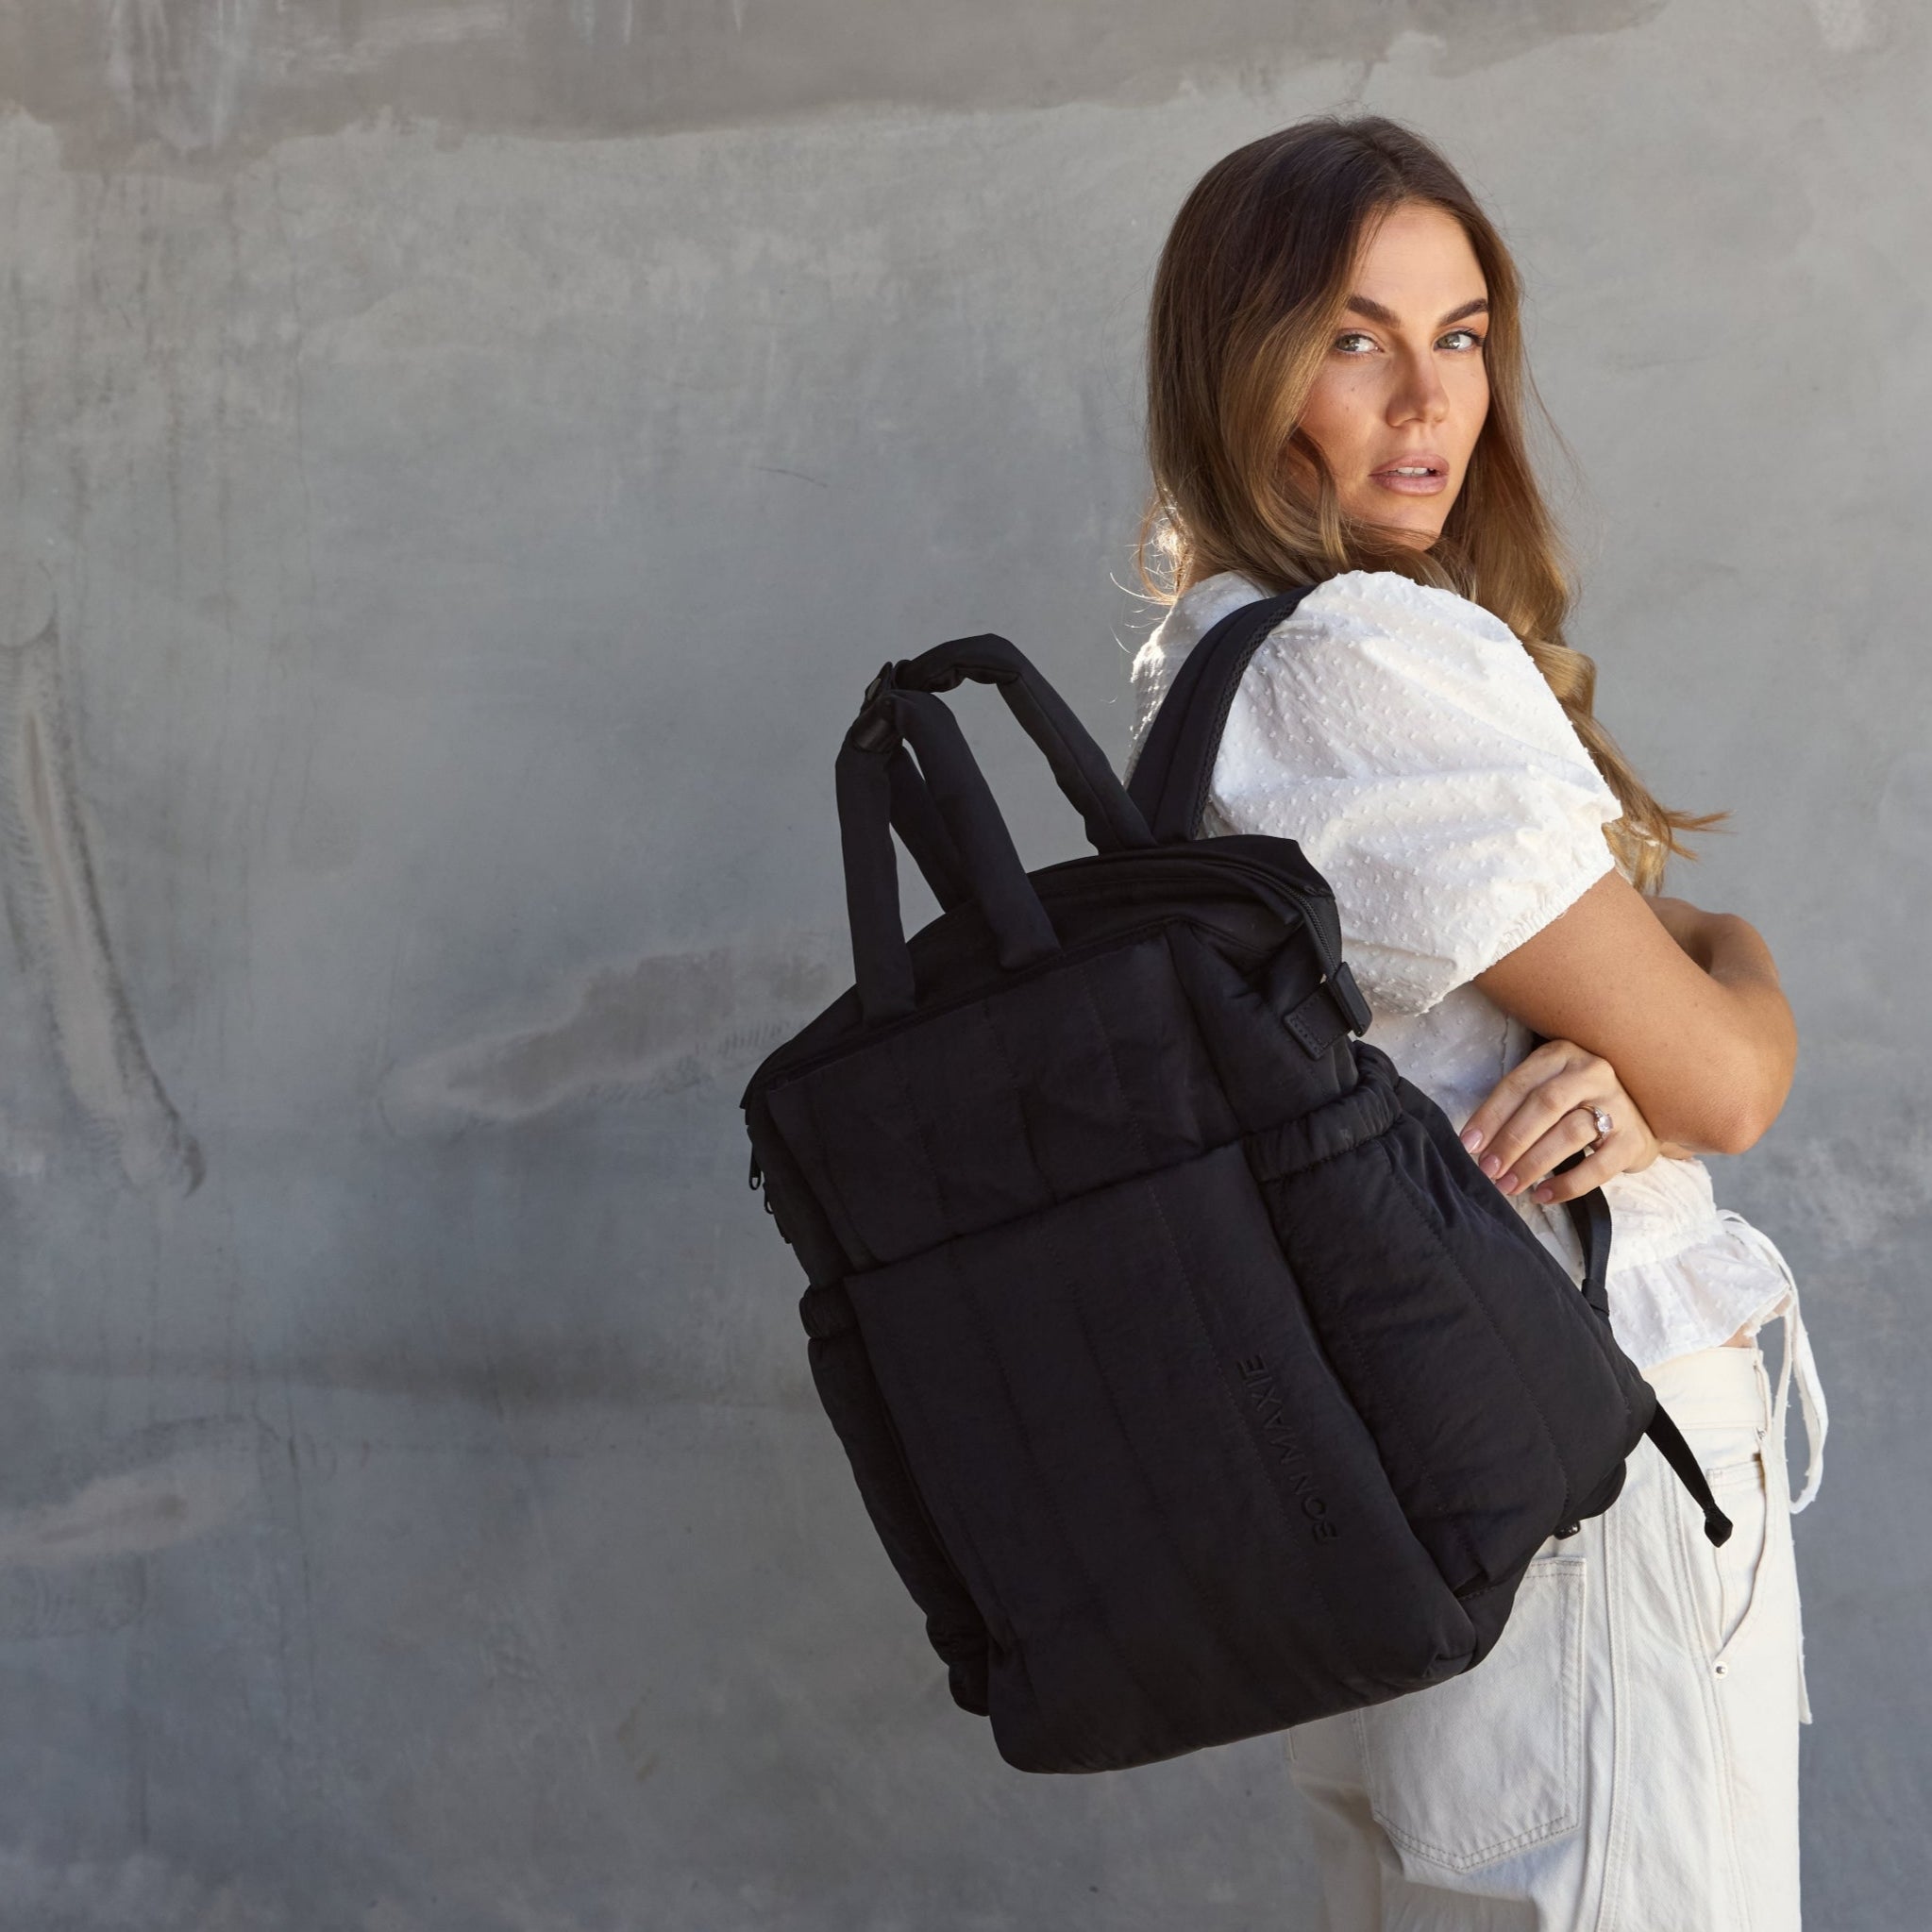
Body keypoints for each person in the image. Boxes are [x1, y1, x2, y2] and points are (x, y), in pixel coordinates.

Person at [1124, 117, 1827, 1931]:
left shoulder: (1211, 664)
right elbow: (1734, 1069)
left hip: (1427, 1493)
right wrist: (1696, 1033)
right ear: (1243, 359)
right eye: (1355, 336)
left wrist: (1674, 1026)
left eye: (1460, 333)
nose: (1429, 399)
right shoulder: (1366, 660)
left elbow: (1680, 1001)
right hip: (1591, 1486)